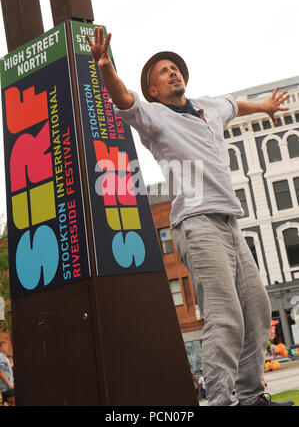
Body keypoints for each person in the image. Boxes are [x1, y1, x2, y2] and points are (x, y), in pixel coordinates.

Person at [86, 27, 294, 406]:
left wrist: (264, 107)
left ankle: (250, 397)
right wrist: (105, 67)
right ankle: (218, 401)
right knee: (225, 315)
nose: (173, 73)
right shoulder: (155, 117)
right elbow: (123, 97)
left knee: (258, 310)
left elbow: (234, 104)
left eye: (175, 68)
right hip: (197, 224)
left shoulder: (208, 106)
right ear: (153, 90)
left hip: (230, 221)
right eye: (163, 72)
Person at [0, 341, 14, 405]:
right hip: (7, 387)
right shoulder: (1, 356)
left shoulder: (4, 356)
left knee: (6, 403)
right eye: (4, 346)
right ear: (0, 348)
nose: (7, 347)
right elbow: (0, 372)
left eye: (7, 345)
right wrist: (10, 384)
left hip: (7, 386)